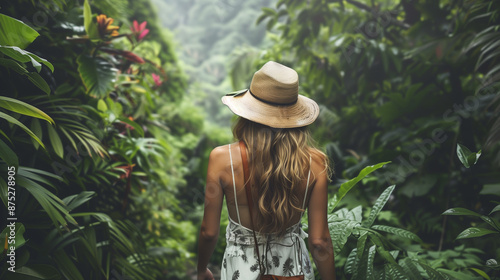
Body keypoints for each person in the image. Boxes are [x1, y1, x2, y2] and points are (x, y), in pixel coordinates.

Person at [196, 61, 336, 280]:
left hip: (240, 271)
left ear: (247, 112)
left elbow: (208, 232)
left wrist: (201, 268)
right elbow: (320, 241)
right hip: (294, 270)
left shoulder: (222, 159)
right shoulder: (315, 163)